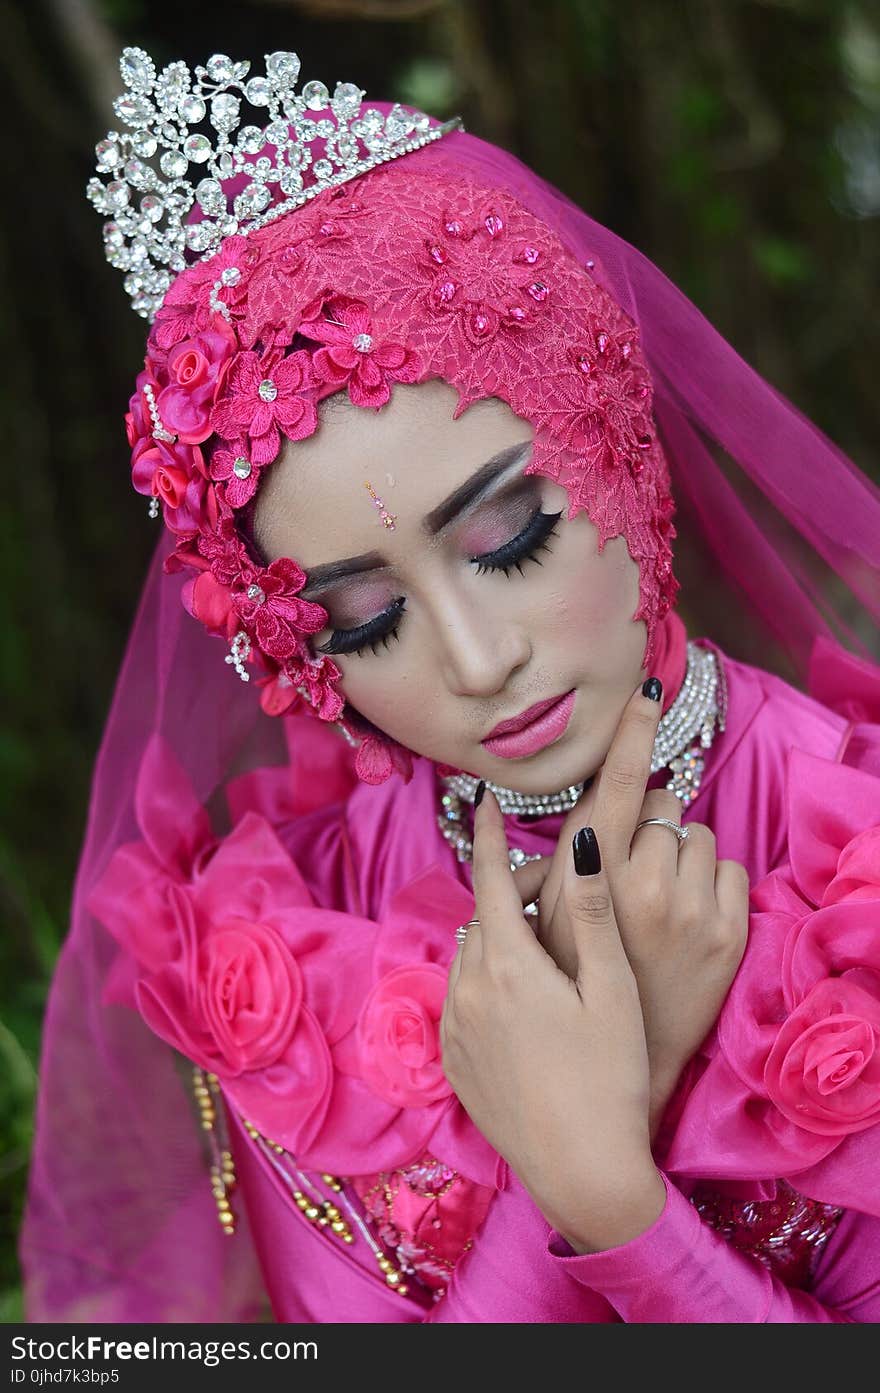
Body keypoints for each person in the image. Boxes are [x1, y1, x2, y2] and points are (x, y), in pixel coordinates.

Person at [20, 42, 880, 1323]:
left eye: (508, 541)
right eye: (363, 618)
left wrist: (614, 1200)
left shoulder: (850, 865)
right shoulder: (292, 931)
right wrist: (603, 1115)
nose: (479, 662)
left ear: (619, 451)